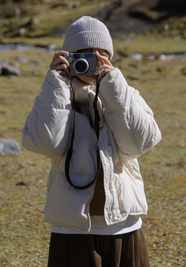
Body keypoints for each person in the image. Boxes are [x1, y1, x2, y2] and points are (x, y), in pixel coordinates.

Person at [22, 16, 161, 267]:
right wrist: (56, 82)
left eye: (99, 54)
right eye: (82, 55)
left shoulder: (124, 92)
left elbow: (137, 145)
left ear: (109, 58)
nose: (90, 61)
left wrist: (113, 86)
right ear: (68, 58)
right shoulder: (57, 94)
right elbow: (46, 143)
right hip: (72, 230)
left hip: (124, 226)